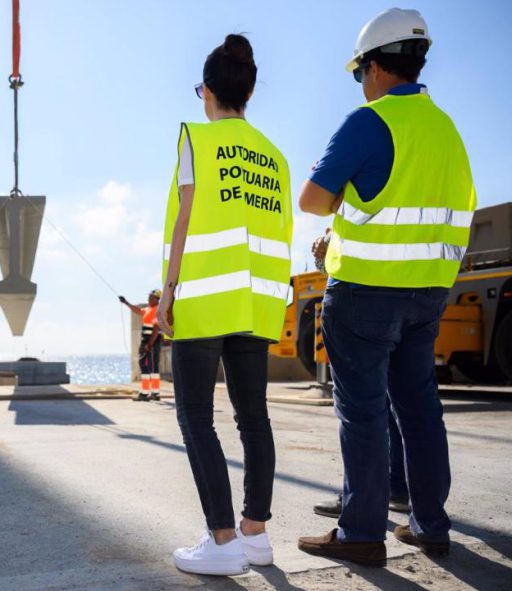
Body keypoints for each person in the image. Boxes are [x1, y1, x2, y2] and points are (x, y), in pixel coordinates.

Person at [297, 9, 475, 566]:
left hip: (366, 295)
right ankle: (430, 524)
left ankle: (361, 533)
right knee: (420, 407)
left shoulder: (368, 122)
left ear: (374, 68)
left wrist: (346, 199)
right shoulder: (447, 130)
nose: (361, 85)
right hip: (428, 294)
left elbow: (313, 200)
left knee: (364, 412)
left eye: (359, 74)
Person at [159, 34, 292, 576]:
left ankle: (221, 541)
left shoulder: (198, 138)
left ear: (208, 92)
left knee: (196, 417)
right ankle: (254, 534)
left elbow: (187, 215)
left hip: (205, 298)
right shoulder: (275, 157)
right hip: (256, 302)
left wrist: (167, 290)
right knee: (253, 418)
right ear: (250, 92)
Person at [309, 230, 409, 518]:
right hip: (411, 295)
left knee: (362, 408)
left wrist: (325, 248)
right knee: (402, 405)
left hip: (361, 299)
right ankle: (400, 491)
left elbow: (345, 260)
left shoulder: (357, 195)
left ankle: (360, 505)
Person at [118, 290, 163, 401]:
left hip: (151, 342)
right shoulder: (148, 309)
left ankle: (145, 393)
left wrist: (149, 345)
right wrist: (126, 303)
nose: (148, 299)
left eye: (151, 297)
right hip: (147, 342)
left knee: (145, 366)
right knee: (152, 367)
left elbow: (156, 329)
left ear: (157, 299)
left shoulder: (157, 310)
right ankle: (155, 393)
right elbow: (137, 310)